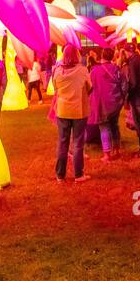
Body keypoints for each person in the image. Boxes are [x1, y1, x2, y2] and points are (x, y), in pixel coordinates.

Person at [52, 44, 92, 182]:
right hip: (78, 110)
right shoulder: (82, 70)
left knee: (63, 143)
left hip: (62, 110)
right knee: (78, 143)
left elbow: (55, 87)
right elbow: (89, 88)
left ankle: (60, 175)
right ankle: (78, 174)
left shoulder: (57, 71)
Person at [88, 46, 125, 162]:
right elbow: (124, 85)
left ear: (102, 55)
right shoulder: (117, 69)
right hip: (115, 103)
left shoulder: (95, 70)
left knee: (104, 127)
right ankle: (117, 149)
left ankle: (107, 155)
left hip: (102, 103)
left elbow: (89, 86)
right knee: (114, 125)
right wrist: (122, 99)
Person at [125, 43, 140, 156]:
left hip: (137, 96)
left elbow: (133, 82)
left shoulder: (132, 61)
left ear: (126, 51)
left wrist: (127, 93)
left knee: (139, 123)